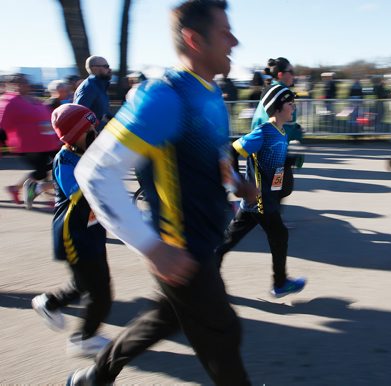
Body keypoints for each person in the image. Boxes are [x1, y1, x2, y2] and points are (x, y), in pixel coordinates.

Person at [66, 1, 251, 385]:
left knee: (163, 318)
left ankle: (94, 378)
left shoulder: (210, 92)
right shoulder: (164, 97)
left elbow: (211, 151)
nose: (234, 41)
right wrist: (152, 246)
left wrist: (235, 179)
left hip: (205, 241)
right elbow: (95, 172)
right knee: (224, 336)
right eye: (224, 32)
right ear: (193, 39)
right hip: (182, 251)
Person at [31, 103, 112, 357]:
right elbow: (79, 194)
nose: (94, 134)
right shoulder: (65, 160)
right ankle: (84, 339)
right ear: (73, 135)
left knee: (84, 283)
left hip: (92, 231)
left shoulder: (87, 153)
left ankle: (49, 303)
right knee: (101, 292)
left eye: (94, 128)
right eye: (89, 129)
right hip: (73, 234)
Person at [215, 84, 306, 298]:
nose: (293, 108)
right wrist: (236, 183)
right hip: (261, 200)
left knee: (229, 239)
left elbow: (273, 164)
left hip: (264, 198)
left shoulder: (282, 133)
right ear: (277, 107)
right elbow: (231, 150)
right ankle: (280, 283)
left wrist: (291, 158)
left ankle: (205, 272)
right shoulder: (263, 132)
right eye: (290, 103)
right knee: (279, 234)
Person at [0, 73, 61, 208]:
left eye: (25, 82)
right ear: (12, 85)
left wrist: (56, 136)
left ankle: (18, 188)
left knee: (56, 164)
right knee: (41, 171)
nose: (24, 85)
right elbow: (2, 123)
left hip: (47, 142)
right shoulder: (9, 101)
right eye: (20, 82)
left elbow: (46, 117)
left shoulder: (33, 100)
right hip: (28, 144)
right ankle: (46, 196)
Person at [251, 57, 303, 204]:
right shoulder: (282, 93)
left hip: (269, 147)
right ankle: (268, 219)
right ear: (280, 74)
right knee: (281, 187)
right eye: (291, 72)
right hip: (276, 149)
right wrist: (295, 132)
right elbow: (283, 121)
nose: (293, 75)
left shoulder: (271, 89)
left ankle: (269, 217)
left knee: (277, 187)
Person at [73, 55, 112, 132]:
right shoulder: (89, 87)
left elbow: (103, 112)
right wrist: (99, 124)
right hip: (91, 137)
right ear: (94, 68)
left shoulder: (100, 86)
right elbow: (80, 113)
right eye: (106, 66)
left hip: (99, 134)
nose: (109, 69)